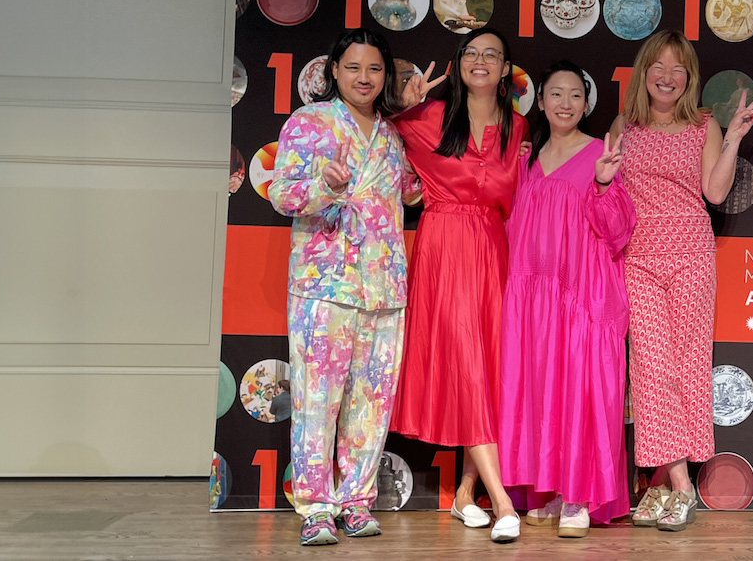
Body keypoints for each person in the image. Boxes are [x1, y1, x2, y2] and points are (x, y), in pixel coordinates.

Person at [267, 28, 422, 546]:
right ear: (334, 70)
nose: (364, 78)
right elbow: (282, 195)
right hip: (323, 286)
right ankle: (315, 507)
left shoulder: (393, 134)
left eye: (375, 69)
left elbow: (410, 193)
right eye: (353, 67)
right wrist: (323, 188)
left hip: (385, 287)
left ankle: (356, 501)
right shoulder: (309, 123)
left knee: (371, 402)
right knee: (317, 401)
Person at [608, 30, 753, 532]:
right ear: (643, 72)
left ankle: (658, 484)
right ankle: (682, 485)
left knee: (688, 365)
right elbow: (604, 191)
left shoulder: (701, 125)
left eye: (678, 68)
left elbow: (715, 193)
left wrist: (733, 136)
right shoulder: (624, 126)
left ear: (689, 78)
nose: (667, 76)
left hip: (692, 253)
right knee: (650, 367)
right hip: (639, 256)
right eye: (658, 66)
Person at [388, 27, 528, 543]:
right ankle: (505, 503)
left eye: (492, 54)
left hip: (493, 248)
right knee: (467, 362)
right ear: (458, 61)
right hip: (444, 246)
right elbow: (375, 135)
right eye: (472, 52)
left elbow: (513, 195)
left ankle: (466, 494)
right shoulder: (425, 119)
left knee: (487, 369)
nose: (481, 61)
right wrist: (405, 105)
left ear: (506, 68)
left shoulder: (517, 126)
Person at [498, 61, 637, 538]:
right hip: (532, 298)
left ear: (586, 104)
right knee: (540, 389)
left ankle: (580, 496)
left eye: (575, 95)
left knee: (581, 388)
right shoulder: (526, 157)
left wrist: (601, 183)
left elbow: (618, 231)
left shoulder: (602, 153)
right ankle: (548, 488)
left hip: (583, 295)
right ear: (539, 102)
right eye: (555, 94)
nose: (564, 103)